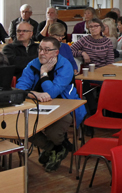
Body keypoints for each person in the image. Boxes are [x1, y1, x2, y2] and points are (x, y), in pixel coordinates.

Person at [16, 37, 84, 172]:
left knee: (53, 132)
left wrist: (44, 73)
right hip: (38, 107)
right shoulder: (32, 64)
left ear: (56, 53)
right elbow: (20, 89)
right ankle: (56, 148)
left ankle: (56, 145)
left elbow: (52, 93)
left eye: (47, 50)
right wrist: (35, 95)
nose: (42, 53)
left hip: (65, 108)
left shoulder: (65, 66)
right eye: (40, 49)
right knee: (22, 129)